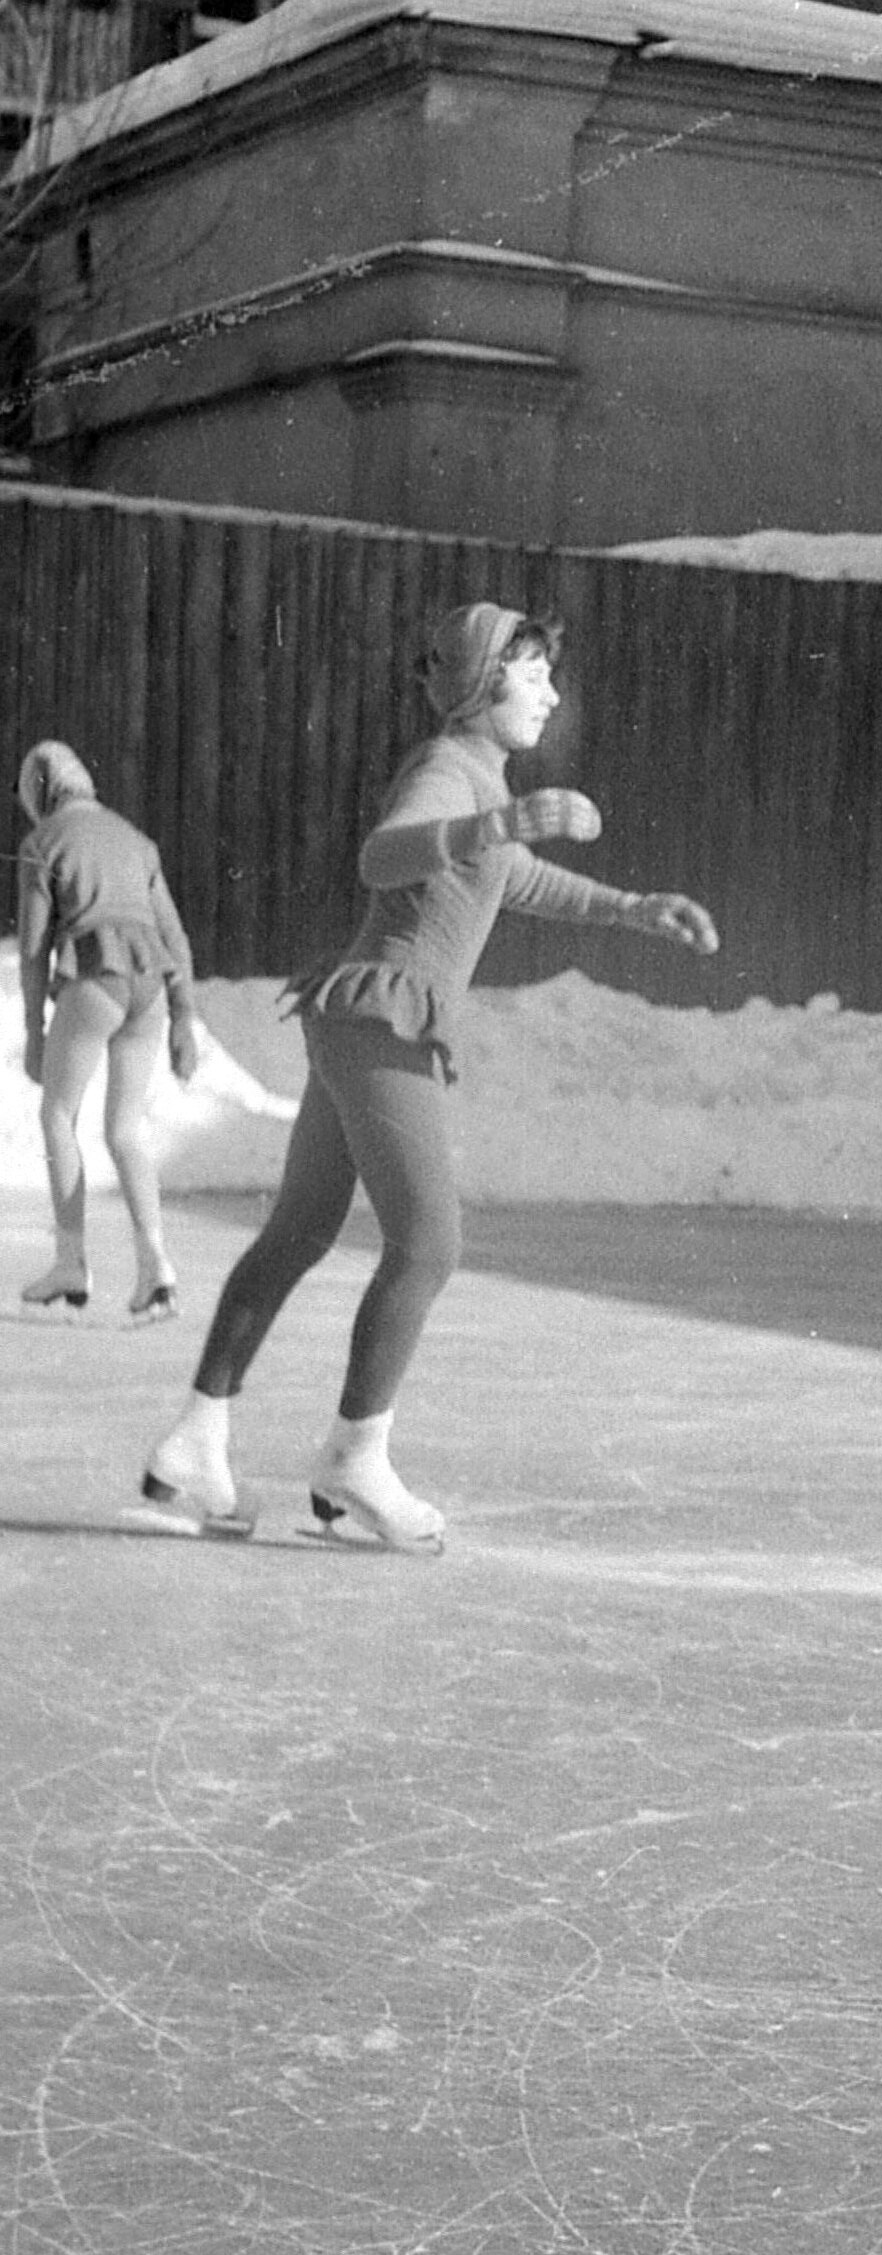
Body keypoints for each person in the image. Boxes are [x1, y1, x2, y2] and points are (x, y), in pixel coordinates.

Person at [142, 604, 719, 1550]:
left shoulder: (478, 778)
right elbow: (383, 856)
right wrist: (499, 820)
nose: (552, 693)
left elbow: (513, 877)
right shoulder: (449, 768)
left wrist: (632, 907)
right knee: (429, 1244)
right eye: (533, 675)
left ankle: (196, 1438)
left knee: (299, 1232)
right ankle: (353, 1460)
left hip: (360, 1021)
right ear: (484, 684)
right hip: (381, 1021)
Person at [15, 738, 201, 1322]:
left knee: (57, 1115)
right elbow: (176, 939)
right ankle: (156, 1264)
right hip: (150, 985)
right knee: (125, 1129)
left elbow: (33, 950)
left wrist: (36, 1033)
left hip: (95, 976)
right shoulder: (135, 839)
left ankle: (71, 1261)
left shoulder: (43, 842)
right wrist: (184, 1020)